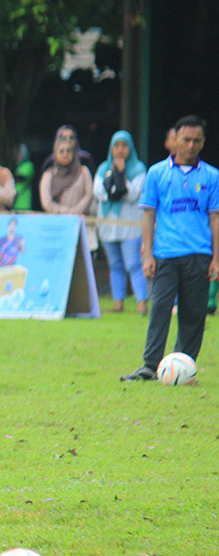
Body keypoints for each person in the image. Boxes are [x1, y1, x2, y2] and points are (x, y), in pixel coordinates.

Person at [121, 115, 219, 381]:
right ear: (174, 139)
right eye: (185, 139)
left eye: (196, 141)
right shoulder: (156, 173)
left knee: (194, 314)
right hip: (165, 254)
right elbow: (149, 215)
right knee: (160, 309)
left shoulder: (212, 176)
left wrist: (216, 259)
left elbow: (215, 218)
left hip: (199, 255)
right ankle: (150, 366)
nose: (190, 145)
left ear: (203, 142)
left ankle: (183, 366)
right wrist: (148, 253)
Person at [92, 130, 148, 315]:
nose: (120, 150)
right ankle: (118, 302)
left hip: (130, 225)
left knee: (134, 264)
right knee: (115, 265)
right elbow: (100, 192)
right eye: (116, 145)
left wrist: (122, 175)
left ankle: (141, 303)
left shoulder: (138, 169)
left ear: (130, 147)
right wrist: (114, 181)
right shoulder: (103, 168)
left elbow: (132, 194)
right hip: (108, 225)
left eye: (124, 145)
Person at [39, 139, 93, 215]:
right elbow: (47, 203)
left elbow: (89, 195)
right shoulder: (49, 175)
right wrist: (66, 212)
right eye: (61, 151)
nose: (65, 154)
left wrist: (76, 211)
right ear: (56, 153)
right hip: (56, 221)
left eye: (68, 151)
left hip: (79, 220)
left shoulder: (83, 172)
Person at [13, 143, 35, 211]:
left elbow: (21, 178)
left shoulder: (28, 165)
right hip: (15, 205)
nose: (17, 156)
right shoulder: (18, 167)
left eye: (19, 153)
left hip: (25, 206)